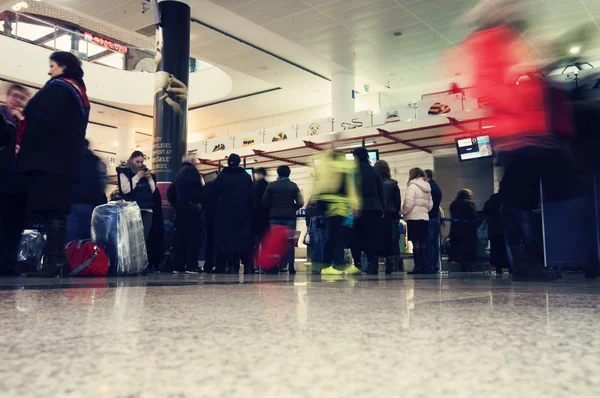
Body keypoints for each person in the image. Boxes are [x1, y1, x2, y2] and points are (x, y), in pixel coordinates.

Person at [461, 0, 569, 280]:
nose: (512, 11)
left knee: (522, 196)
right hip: (518, 133)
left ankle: (526, 262)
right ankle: (524, 263)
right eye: (506, 6)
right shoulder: (487, 42)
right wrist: (522, 86)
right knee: (518, 198)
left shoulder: (509, 39)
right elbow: (490, 86)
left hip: (529, 132)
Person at [17, 52, 90, 278]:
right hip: (62, 163)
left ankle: (55, 261)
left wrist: (24, 121)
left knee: (52, 210)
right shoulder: (78, 92)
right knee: (54, 210)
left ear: (64, 67)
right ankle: (57, 260)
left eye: (52, 66)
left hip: (50, 161)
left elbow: (43, 120)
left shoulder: (60, 88)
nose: (49, 71)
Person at [311, 149, 359, 275]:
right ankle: (328, 266)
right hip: (334, 207)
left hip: (336, 207)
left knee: (334, 237)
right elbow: (349, 187)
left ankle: (333, 265)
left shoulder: (334, 170)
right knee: (333, 237)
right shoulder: (336, 170)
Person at [0, 85, 30, 276]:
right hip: (2, 181)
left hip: (19, 185)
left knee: (14, 226)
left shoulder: (26, 125)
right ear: (7, 97)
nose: (17, 100)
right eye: (15, 96)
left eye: (21, 98)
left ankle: (8, 264)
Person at [213, 154, 253, 274]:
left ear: (228, 162)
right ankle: (246, 266)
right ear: (239, 162)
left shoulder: (221, 176)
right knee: (241, 239)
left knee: (226, 239)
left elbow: (215, 192)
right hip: (242, 213)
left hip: (224, 213)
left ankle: (229, 265)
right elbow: (251, 194)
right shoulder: (245, 177)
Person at [262, 165, 304, 274]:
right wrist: (292, 208)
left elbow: (265, 202)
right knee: (290, 243)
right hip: (290, 218)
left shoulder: (271, 186)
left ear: (278, 173)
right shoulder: (293, 186)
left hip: (274, 218)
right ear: (289, 173)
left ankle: (275, 266)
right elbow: (301, 202)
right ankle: (291, 266)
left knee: (276, 242)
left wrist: (273, 208)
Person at [66, 139, 107, 242]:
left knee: (71, 239)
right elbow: (102, 180)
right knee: (89, 239)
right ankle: (86, 257)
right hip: (91, 205)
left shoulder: (69, 159)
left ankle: (70, 257)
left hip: (72, 204)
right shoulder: (95, 160)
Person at [351, 148, 384, 275]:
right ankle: (373, 264)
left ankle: (357, 264)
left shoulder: (354, 172)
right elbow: (380, 190)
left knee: (356, 237)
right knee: (372, 237)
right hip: (375, 207)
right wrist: (382, 208)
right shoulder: (375, 171)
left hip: (359, 207)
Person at [172, 154, 204, 274]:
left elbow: (171, 191)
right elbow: (196, 190)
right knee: (193, 238)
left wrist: (177, 204)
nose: (196, 163)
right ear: (191, 161)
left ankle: (178, 266)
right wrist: (198, 203)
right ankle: (191, 266)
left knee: (181, 239)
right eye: (195, 160)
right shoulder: (191, 171)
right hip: (191, 210)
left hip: (181, 210)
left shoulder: (178, 172)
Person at [118, 151, 156, 243]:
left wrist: (149, 178)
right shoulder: (124, 171)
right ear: (131, 160)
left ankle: (143, 257)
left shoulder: (145, 171)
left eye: (141, 162)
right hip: (132, 209)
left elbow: (153, 190)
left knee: (144, 238)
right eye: (137, 162)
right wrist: (137, 177)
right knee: (132, 239)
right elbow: (125, 189)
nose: (140, 164)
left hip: (147, 209)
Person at [401, 168, 433, 275]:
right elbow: (430, 205)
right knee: (424, 242)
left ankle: (417, 267)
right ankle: (425, 266)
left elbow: (408, 203)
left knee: (416, 243)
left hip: (413, 218)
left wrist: (402, 211)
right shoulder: (427, 187)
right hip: (424, 218)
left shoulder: (412, 186)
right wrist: (423, 211)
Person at [374, 160, 402, 274]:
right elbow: (397, 202)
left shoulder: (374, 184)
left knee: (377, 239)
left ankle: (373, 265)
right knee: (391, 240)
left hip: (377, 215)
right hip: (391, 215)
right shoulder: (393, 184)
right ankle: (390, 265)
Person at [449, 189, 479, 272]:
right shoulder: (470, 203)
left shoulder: (453, 203)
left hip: (455, 230)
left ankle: (463, 266)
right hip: (468, 230)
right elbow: (474, 216)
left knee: (460, 249)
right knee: (470, 249)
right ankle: (471, 266)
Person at [248, 167, 270, 274]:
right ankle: (264, 266)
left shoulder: (253, 186)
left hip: (253, 217)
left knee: (253, 243)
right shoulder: (267, 186)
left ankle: (253, 265)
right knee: (264, 242)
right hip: (265, 218)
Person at [483, 193, 510, 274]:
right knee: (507, 248)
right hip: (506, 227)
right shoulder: (508, 198)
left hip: (494, 228)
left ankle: (498, 267)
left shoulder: (493, 198)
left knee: (496, 249)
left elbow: (486, 210)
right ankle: (510, 266)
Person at [425, 169, 443, 274]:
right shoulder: (436, 187)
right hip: (435, 217)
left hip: (430, 217)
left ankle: (431, 266)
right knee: (434, 243)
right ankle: (434, 265)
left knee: (430, 243)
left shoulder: (429, 188)